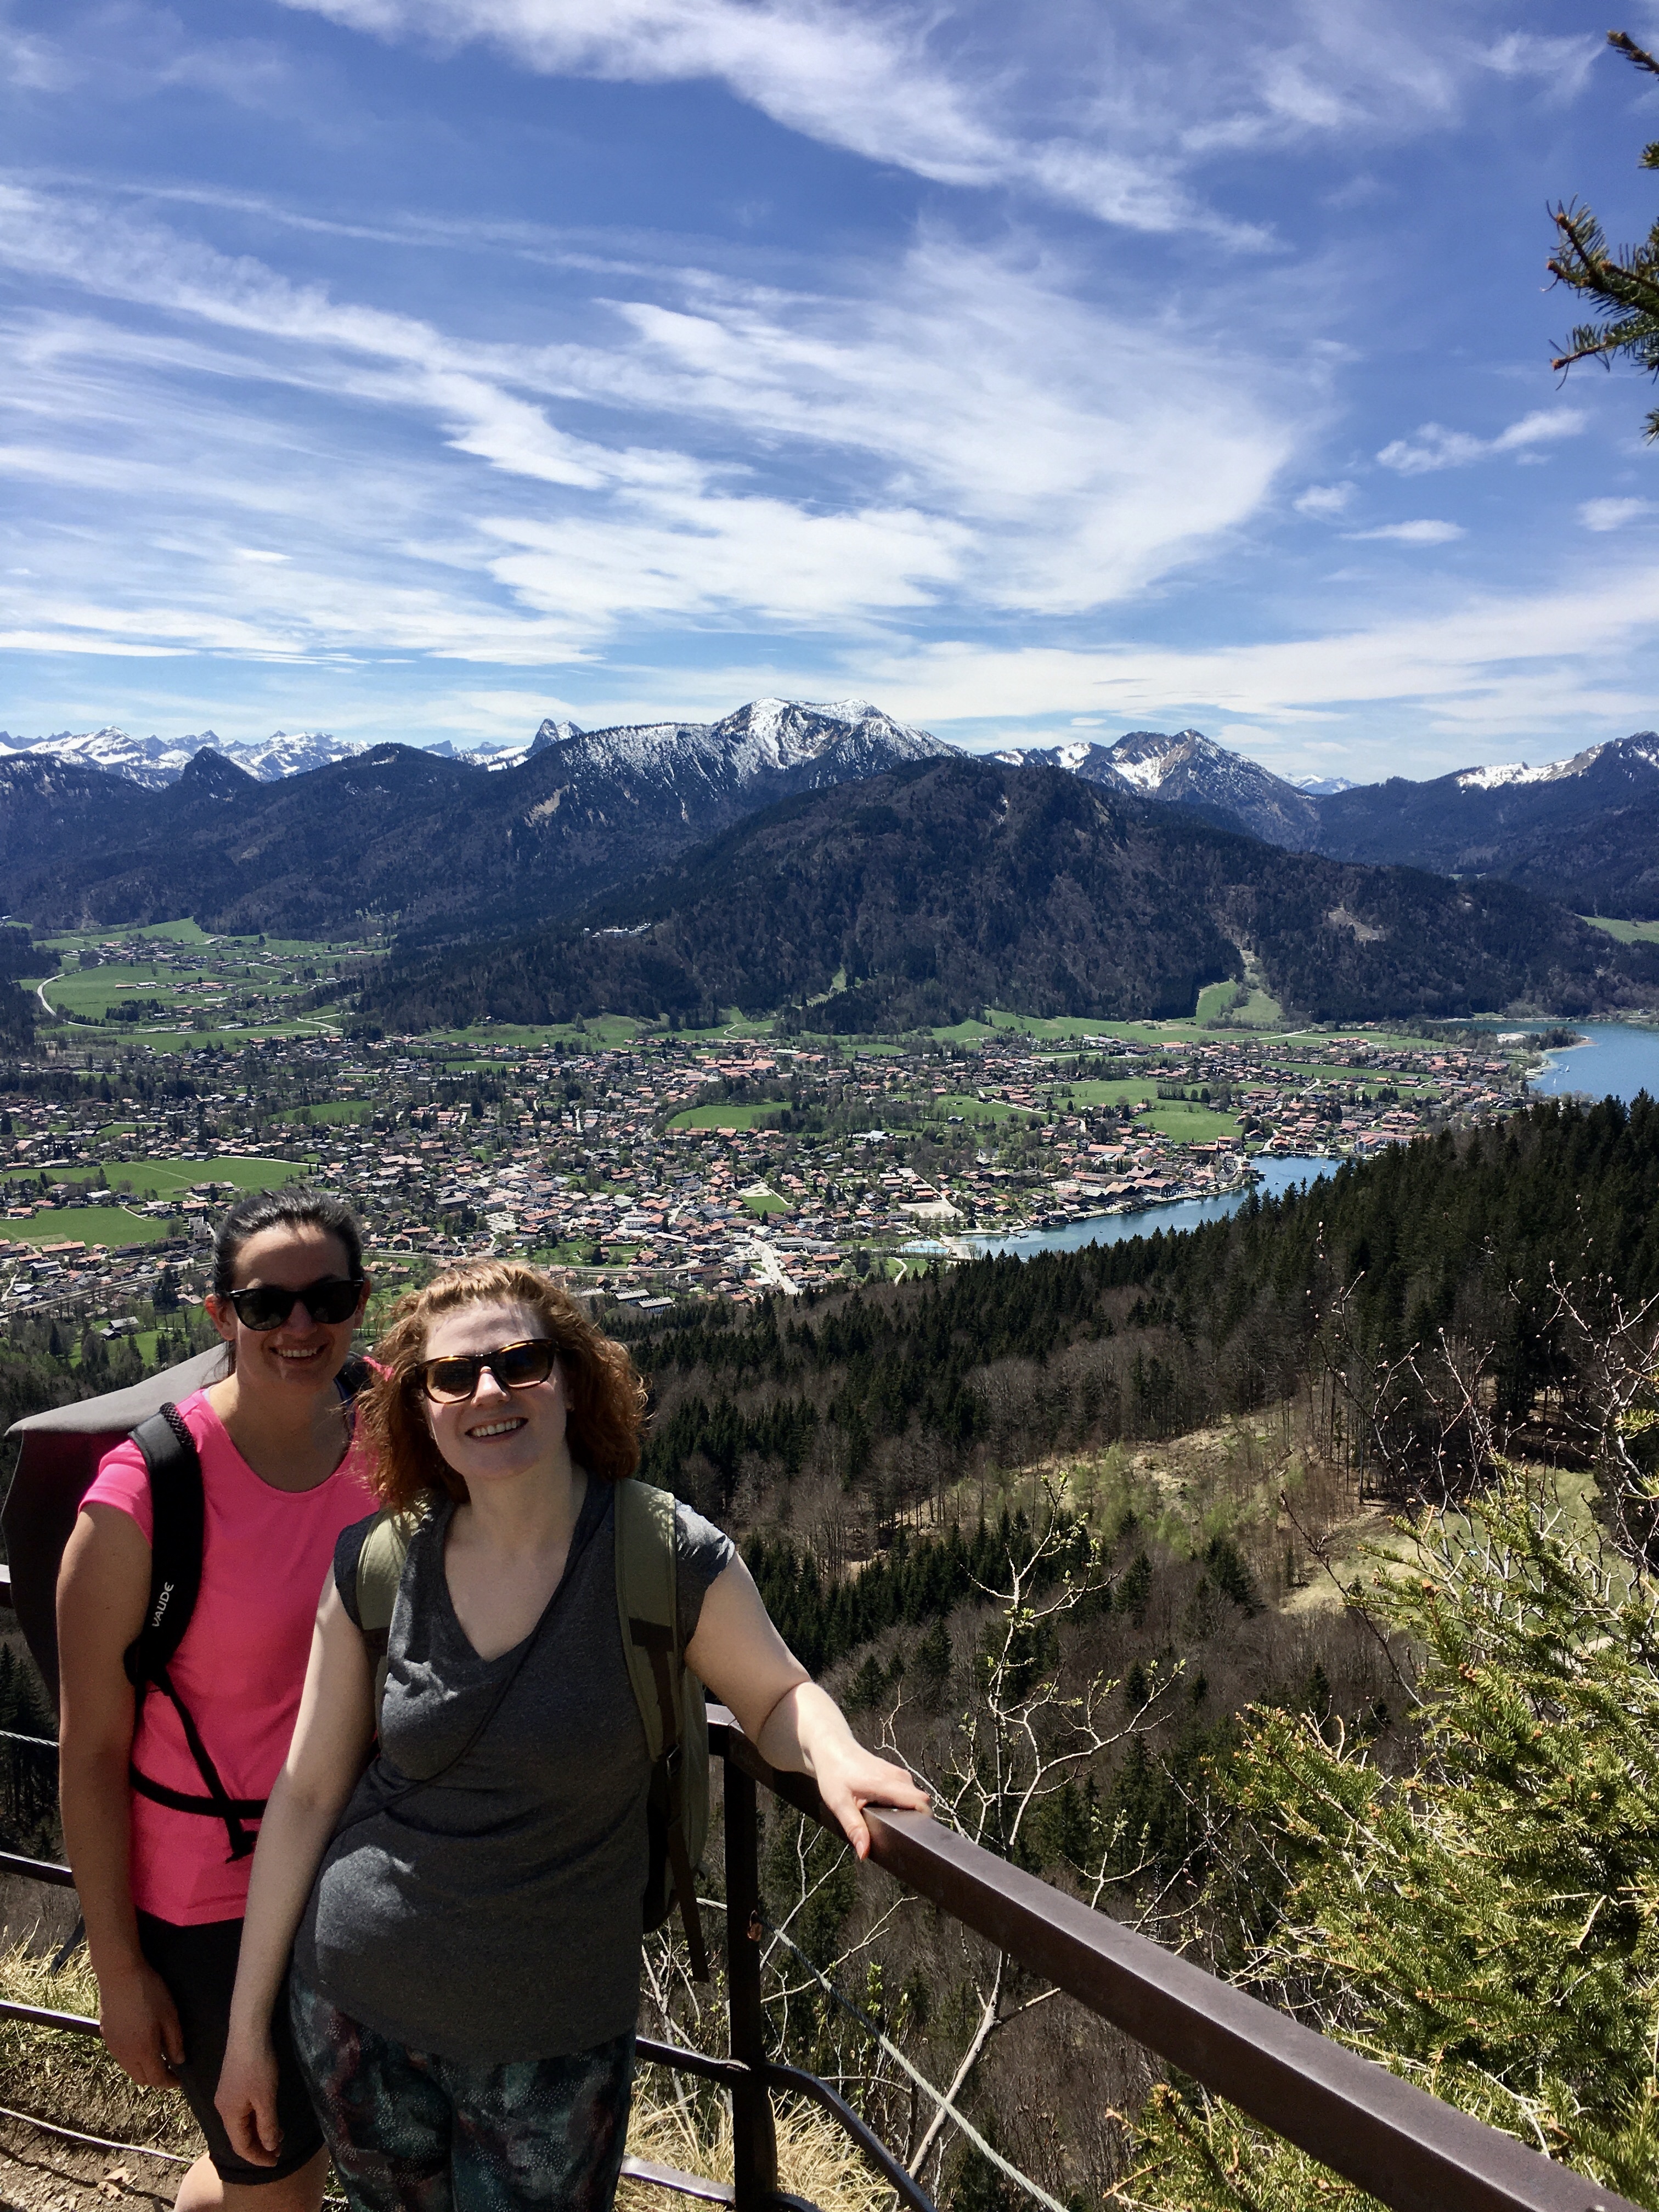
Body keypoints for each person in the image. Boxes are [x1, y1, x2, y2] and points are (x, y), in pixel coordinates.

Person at [213, 1259, 929, 2212]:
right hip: (353, 2006)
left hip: (550, 2040)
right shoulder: (381, 1562)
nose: (489, 1392)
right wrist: (247, 2032)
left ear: (573, 1379)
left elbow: (776, 1695)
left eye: (521, 1362)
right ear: (421, 1409)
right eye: (453, 1376)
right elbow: (307, 1796)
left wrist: (836, 1757)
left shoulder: (661, 1554)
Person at [57, 1192, 377, 2212]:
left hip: (367, 1870)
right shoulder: (142, 1499)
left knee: (290, 2164)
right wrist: (118, 1972)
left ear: (362, 1302)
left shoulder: (397, 1435)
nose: (300, 1326)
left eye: (328, 1298)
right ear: (220, 1315)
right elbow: (90, 1751)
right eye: (266, 1304)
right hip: (210, 1901)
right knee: (274, 2175)